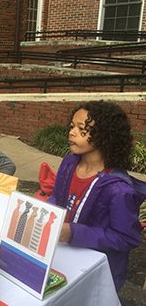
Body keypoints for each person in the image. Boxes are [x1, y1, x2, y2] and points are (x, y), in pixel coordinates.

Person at [48, 101, 146, 291]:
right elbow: (58, 196)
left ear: (105, 136)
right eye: (72, 126)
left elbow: (126, 238)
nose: (72, 132)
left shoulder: (119, 190)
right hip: (60, 255)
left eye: (82, 128)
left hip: (96, 272)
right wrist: (47, 211)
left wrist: (74, 233)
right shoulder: (68, 163)